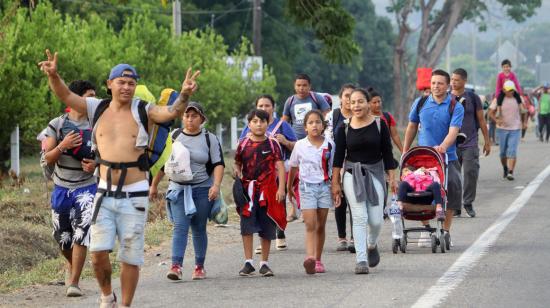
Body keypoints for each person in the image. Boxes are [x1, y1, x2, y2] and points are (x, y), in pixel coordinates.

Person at [39, 49, 200, 308]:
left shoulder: (143, 109)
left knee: (130, 257)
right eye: (121, 82)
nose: (126, 87)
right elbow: (65, 95)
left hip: (135, 191)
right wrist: (54, 75)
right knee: (98, 253)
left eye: (131, 83)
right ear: (109, 84)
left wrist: (185, 95)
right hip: (103, 190)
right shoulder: (96, 107)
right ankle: (106, 296)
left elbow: (170, 112)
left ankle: (125, 304)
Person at [149, 102, 224, 281]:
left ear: (202, 119)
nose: (189, 119)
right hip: (178, 189)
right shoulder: (173, 136)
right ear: (182, 117)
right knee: (180, 227)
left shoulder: (209, 138)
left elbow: (218, 164)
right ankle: (176, 266)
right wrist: (153, 185)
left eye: (194, 116)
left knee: (199, 228)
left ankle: (199, 267)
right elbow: (163, 163)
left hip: (202, 189)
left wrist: (216, 185)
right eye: (186, 116)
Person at [332, 88, 398, 274]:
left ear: (368, 104)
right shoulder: (343, 127)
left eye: (360, 101)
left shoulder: (379, 124)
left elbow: (387, 152)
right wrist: (335, 183)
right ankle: (361, 259)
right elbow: (338, 158)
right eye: (353, 102)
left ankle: (371, 244)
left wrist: (392, 177)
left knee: (376, 220)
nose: (356, 105)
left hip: (376, 173)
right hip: (352, 174)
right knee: (360, 217)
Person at [42, 80, 97, 297]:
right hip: (62, 186)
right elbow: (46, 158)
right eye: (89, 95)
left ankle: (74, 283)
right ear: (73, 97)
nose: (93, 100)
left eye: (95, 95)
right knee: (63, 238)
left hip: (88, 186)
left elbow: (110, 154)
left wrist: (96, 165)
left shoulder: (98, 124)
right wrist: (62, 146)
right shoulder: (57, 124)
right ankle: (71, 265)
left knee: (82, 233)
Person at [403, 69, 464, 248]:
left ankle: (445, 231)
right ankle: (427, 229)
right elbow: (412, 126)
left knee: (452, 190)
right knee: (421, 193)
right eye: (433, 83)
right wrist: (406, 151)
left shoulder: (455, 106)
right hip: (423, 159)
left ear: (448, 86)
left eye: (440, 83)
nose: (436, 86)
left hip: (448, 158)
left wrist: (443, 147)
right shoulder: (421, 102)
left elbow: (454, 130)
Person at [239, 95, 297, 252]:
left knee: (278, 201)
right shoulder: (249, 126)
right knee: (259, 205)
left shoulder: (282, 125)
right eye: (261, 105)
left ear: (273, 107)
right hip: (255, 173)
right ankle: (263, 236)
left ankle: (280, 233)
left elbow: (296, 147)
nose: (264, 109)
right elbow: (241, 146)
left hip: (278, 170)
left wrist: (285, 141)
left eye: (267, 105)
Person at [233, 109, 286, 277]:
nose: (258, 124)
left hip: (268, 191)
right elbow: (237, 163)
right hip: (248, 192)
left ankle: (264, 263)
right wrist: (236, 173)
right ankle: (248, 262)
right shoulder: (242, 144)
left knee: (266, 226)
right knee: (246, 226)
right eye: (255, 121)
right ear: (249, 124)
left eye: (262, 121)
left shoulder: (272, 144)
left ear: (267, 123)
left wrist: (281, 188)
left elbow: (280, 166)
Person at [287, 110, 334, 274]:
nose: (315, 125)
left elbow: (334, 168)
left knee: (320, 225)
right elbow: (293, 167)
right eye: (311, 122)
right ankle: (310, 258)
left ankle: (318, 259)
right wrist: (289, 188)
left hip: (324, 187)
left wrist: (337, 188)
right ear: (305, 127)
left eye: (318, 122)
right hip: (306, 187)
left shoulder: (329, 144)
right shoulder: (300, 145)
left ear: (323, 125)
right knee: (310, 224)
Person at [450, 68, 491, 218]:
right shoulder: (447, 98)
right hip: (451, 144)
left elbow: (481, 120)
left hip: (470, 142)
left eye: (457, 80)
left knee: (470, 173)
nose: (453, 82)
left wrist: (487, 141)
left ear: (464, 81)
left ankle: (468, 202)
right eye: (452, 79)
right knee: (453, 177)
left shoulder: (473, 98)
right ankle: (455, 206)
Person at [325, 83, 356, 252]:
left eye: (352, 96)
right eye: (346, 96)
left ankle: (354, 237)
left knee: (355, 202)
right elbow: (327, 140)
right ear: (341, 98)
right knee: (340, 201)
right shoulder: (333, 116)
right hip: (337, 164)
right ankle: (342, 237)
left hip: (356, 163)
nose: (349, 99)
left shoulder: (361, 115)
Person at [488, 80, 524, 180]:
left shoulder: (518, 98)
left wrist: (524, 122)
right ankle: (505, 167)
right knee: (503, 153)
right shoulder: (498, 99)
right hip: (502, 129)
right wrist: (496, 120)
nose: (510, 92)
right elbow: (490, 112)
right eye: (508, 90)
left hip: (515, 129)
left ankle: (511, 172)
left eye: (512, 90)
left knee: (512, 151)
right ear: (504, 90)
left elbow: (524, 111)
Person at [282, 73, 331, 139]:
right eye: (298, 85)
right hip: (296, 142)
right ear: (294, 86)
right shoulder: (290, 101)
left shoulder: (317, 98)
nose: (301, 88)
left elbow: (329, 117)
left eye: (304, 85)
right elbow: (284, 123)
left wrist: (324, 132)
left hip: (315, 140)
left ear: (309, 86)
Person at [367, 88, 404, 153]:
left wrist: (402, 151)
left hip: (387, 151)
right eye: (374, 102)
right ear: (368, 104)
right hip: (371, 154)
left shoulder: (387, 116)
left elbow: (395, 135)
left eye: (379, 101)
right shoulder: (365, 118)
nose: (377, 105)